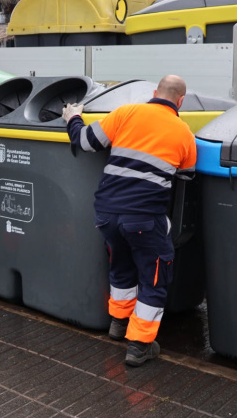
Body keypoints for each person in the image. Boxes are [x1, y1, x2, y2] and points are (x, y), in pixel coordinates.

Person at [62, 75, 196, 367]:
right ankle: (139, 345)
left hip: (107, 213)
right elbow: (186, 175)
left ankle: (118, 323)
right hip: (145, 218)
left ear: (154, 93)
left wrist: (73, 117)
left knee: (120, 264)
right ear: (180, 101)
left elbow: (84, 142)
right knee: (155, 276)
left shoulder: (127, 112)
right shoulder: (184, 132)